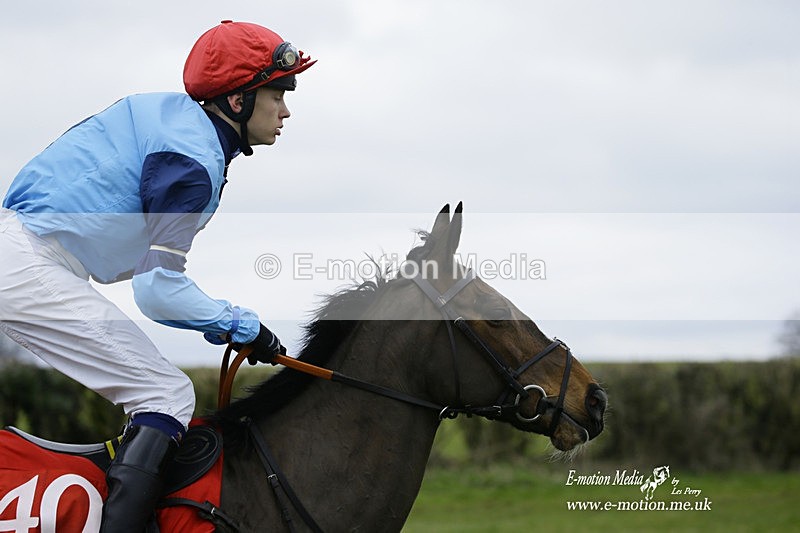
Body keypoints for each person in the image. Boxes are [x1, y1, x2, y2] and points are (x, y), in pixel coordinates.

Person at [0, 20, 314, 531]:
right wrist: (239, 324)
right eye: (278, 93)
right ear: (237, 101)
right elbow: (156, 291)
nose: (286, 110)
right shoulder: (191, 161)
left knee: (157, 392)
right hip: (30, 265)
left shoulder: (170, 117)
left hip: (23, 253)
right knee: (166, 395)